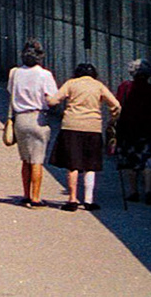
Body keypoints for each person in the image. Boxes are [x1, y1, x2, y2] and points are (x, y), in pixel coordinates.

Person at [51, 61, 121, 211]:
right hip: (93, 127)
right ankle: (88, 200)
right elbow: (116, 105)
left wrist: (45, 99)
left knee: (72, 164)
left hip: (71, 126)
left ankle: (72, 199)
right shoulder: (98, 85)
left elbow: (54, 100)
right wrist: (112, 119)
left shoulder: (71, 83)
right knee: (90, 164)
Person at [6, 40, 61, 207]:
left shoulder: (14, 73)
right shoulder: (44, 75)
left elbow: (10, 92)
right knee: (37, 159)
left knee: (25, 159)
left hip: (20, 118)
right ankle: (36, 197)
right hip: (38, 118)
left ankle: (26, 194)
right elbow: (53, 98)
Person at [115, 59, 151, 205]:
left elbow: (118, 107)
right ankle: (148, 191)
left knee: (131, 161)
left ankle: (134, 191)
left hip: (128, 129)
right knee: (149, 161)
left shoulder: (124, 87)